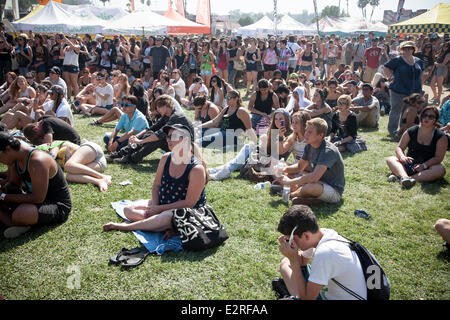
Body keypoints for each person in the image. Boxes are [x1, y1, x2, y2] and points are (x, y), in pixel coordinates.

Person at [102, 123, 210, 239]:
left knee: (165, 218)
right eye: (168, 136)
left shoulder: (196, 169)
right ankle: (169, 227)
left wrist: (158, 209)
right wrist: (154, 205)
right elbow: (156, 186)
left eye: (173, 137)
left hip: (185, 211)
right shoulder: (166, 158)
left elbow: (189, 203)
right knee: (128, 210)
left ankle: (127, 226)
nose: (168, 140)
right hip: (164, 202)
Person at [274, 204, 367, 300]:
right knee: (286, 262)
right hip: (331, 291)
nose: (291, 242)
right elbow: (302, 261)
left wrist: (293, 260)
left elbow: (308, 299)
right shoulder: (323, 234)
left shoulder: (325, 254)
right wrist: (292, 256)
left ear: (306, 236)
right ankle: (294, 295)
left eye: (292, 239)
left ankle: (292, 296)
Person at [0, 132, 72, 239]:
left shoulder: (37, 160)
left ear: (8, 149)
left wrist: (3, 197)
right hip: (34, 201)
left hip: (57, 205)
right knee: (8, 193)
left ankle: (22, 223)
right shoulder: (15, 156)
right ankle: (22, 223)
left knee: (20, 214)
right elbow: (13, 184)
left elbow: (38, 198)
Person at [276, 118, 345, 205]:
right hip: (316, 182)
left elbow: (314, 177)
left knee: (309, 187)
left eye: (310, 132)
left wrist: (289, 182)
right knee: (288, 173)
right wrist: (283, 169)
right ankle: (305, 196)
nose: (306, 134)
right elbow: (299, 167)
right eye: (306, 131)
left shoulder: (328, 151)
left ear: (321, 135)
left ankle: (291, 194)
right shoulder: (309, 145)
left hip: (333, 189)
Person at [108, 95, 193, 164]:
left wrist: (140, 141)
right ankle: (119, 154)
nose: (157, 110)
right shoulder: (167, 115)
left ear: (166, 105)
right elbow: (151, 128)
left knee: (157, 139)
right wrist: (136, 137)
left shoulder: (177, 116)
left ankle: (132, 158)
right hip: (175, 143)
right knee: (150, 134)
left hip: (186, 147)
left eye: (158, 107)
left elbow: (159, 135)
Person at [385, 106, 447, 189]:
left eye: (431, 116)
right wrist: (402, 157)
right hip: (409, 163)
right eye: (424, 115)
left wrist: (424, 165)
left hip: (427, 167)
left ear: (435, 120)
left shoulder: (441, 136)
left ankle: (406, 178)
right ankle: (405, 177)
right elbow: (399, 147)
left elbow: (438, 158)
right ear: (421, 116)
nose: (427, 118)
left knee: (440, 170)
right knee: (391, 159)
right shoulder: (411, 131)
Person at [36, 140, 111, 192]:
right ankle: (99, 181)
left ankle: (102, 176)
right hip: (100, 163)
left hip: (92, 149)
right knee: (69, 176)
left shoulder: (54, 145)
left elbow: (51, 156)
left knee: (68, 165)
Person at [383, 41, 423, 136]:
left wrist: (420, 85)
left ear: (413, 49)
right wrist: (390, 77)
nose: (407, 50)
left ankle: (402, 129)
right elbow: (386, 67)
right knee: (396, 109)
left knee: (407, 111)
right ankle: (392, 129)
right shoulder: (397, 60)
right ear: (402, 49)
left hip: (413, 91)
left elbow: (422, 73)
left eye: (410, 48)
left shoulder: (418, 61)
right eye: (405, 48)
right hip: (398, 89)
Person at [61, 35, 80, 100]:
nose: (68, 39)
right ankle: (69, 98)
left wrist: (66, 39)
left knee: (74, 83)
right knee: (68, 83)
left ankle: (76, 98)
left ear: (74, 39)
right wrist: (62, 45)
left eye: (70, 38)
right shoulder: (67, 47)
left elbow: (74, 47)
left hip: (73, 66)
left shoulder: (77, 46)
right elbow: (62, 54)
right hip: (66, 66)